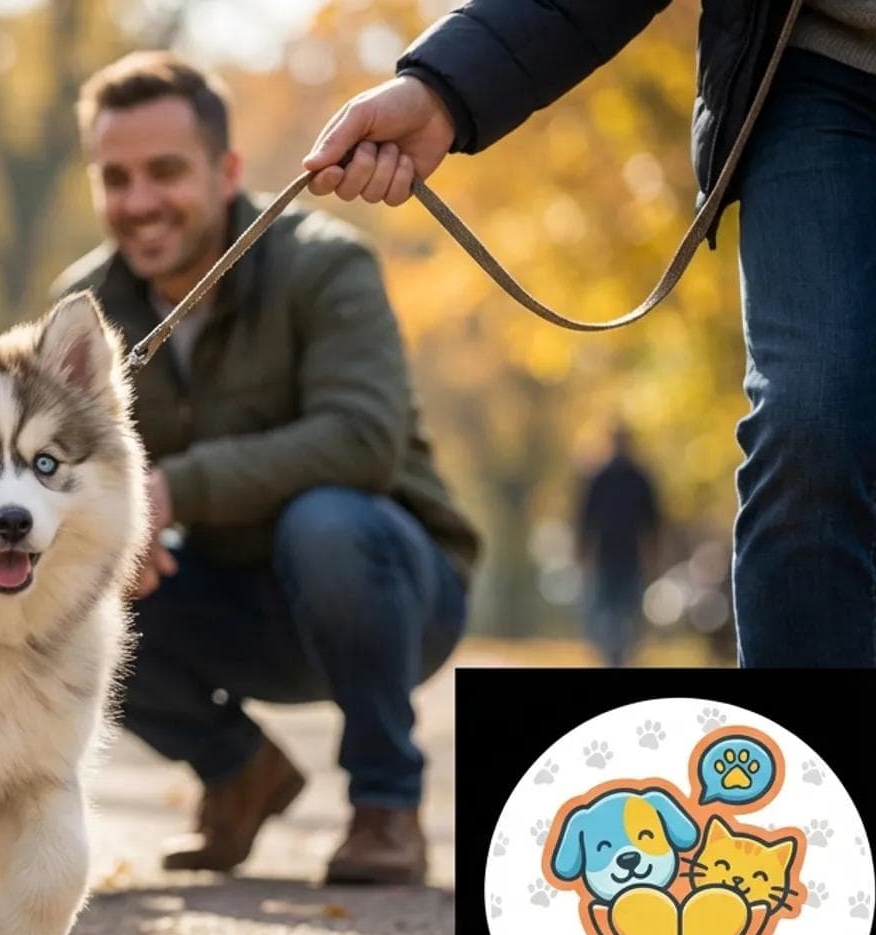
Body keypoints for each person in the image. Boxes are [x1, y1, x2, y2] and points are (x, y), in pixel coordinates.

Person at [300, 1, 876, 668]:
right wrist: (442, 87)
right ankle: (798, 762)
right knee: (813, 416)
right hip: (824, 78)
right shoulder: (611, 475)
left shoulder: (609, 471)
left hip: (619, 554)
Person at [52, 52, 483, 886]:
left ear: (228, 171)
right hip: (219, 598)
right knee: (52, 575)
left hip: (387, 587)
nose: (139, 203)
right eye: (116, 178)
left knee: (327, 520)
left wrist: (173, 490)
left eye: (166, 172)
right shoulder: (84, 303)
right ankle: (236, 771)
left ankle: (387, 805)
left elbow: (362, 439)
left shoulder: (326, 264)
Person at [575, 424, 663, 667]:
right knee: (606, 612)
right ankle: (611, 656)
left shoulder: (640, 479)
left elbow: (652, 524)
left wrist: (654, 558)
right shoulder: (600, 479)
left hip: (631, 559)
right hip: (605, 558)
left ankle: (621, 656)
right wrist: (583, 554)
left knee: (629, 612)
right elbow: (586, 521)